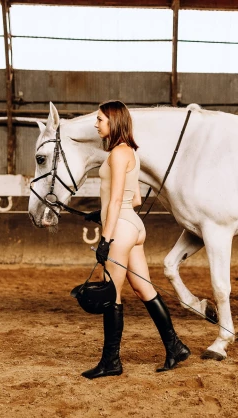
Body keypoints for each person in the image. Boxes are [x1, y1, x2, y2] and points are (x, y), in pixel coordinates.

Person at [81, 100, 190, 380]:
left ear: (114, 122)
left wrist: (105, 238)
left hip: (120, 228)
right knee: (144, 290)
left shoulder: (117, 154)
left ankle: (111, 362)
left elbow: (117, 198)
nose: (96, 124)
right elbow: (136, 198)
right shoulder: (132, 152)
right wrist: (101, 212)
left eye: (100, 119)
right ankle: (175, 346)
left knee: (111, 294)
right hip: (133, 226)